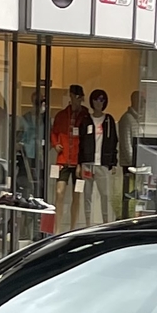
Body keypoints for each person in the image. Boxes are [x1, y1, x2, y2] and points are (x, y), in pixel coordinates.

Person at [51, 86, 92, 229]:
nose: (79, 100)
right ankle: (57, 228)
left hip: (79, 161)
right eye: (76, 96)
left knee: (77, 195)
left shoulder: (86, 115)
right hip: (63, 160)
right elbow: (54, 132)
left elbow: (88, 138)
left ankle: (72, 228)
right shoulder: (61, 115)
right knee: (59, 192)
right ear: (71, 96)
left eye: (81, 97)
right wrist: (55, 144)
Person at [87, 90, 122, 224]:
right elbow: (82, 143)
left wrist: (113, 162)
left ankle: (106, 222)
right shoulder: (86, 120)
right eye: (96, 100)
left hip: (103, 163)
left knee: (105, 195)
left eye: (102, 100)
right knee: (87, 196)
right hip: (88, 163)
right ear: (92, 101)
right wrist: (80, 163)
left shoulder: (108, 120)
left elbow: (114, 141)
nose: (98, 103)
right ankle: (87, 224)